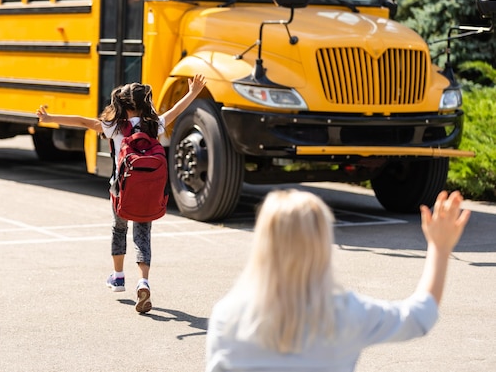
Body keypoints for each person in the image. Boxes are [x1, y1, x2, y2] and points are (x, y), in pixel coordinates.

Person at [206, 189, 471, 371]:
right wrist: (439, 248)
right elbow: (419, 316)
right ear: (322, 243)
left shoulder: (227, 318)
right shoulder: (346, 314)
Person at [36, 74, 207, 313]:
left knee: (119, 229)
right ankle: (143, 281)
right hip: (148, 189)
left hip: (121, 190)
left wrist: (49, 117)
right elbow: (176, 111)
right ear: (143, 104)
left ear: (123, 105)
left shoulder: (114, 126)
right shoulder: (154, 124)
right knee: (143, 233)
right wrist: (193, 92)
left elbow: (83, 122)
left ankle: (118, 277)